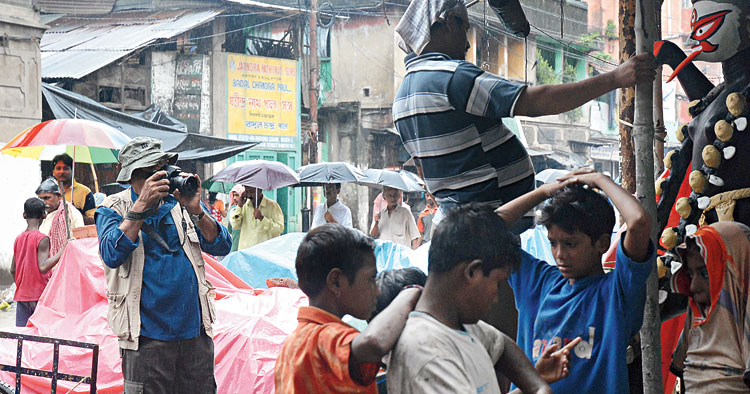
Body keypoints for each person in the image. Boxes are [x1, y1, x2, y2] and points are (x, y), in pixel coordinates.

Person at [392, 0, 656, 231]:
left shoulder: (402, 96)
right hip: (488, 228)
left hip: (459, 224)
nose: (468, 42)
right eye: (465, 28)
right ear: (450, 22)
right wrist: (614, 78)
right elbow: (535, 102)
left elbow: (423, 171)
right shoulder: (451, 76)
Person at [387, 203, 579, 393]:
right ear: (472, 272)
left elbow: (501, 344)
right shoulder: (429, 356)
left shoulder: (460, 325)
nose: (496, 297)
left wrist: (537, 382)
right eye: (497, 283)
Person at [495, 169, 655, 394]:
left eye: (570, 244)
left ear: (602, 243)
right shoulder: (538, 283)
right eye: (553, 243)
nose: (559, 254)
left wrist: (600, 180)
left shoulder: (617, 293)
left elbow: (638, 221)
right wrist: (543, 192)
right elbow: (487, 229)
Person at [95, 136, 231, 393]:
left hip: (195, 335)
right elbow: (111, 254)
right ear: (132, 176)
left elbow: (221, 245)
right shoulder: (113, 208)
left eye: (161, 170)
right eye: (149, 173)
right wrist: (140, 207)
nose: (158, 179)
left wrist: (197, 211)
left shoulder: (180, 203)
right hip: (146, 339)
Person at [274, 223, 422, 393]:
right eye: (370, 278)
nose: (377, 290)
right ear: (336, 281)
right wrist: (412, 292)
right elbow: (372, 343)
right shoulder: (325, 338)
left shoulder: (293, 345)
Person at [670, 222, 750, 392]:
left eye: (706, 274)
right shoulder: (696, 330)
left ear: (737, 273)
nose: (693, 287)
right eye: (690, 274)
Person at [11, 198, 67, 327]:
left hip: (22, 296)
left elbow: (13, 269)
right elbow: (43, 266)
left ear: (24, 215)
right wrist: (63, 250)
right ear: (44, 215)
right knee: (41, 335)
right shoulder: (42, 238)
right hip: (40, 295)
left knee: (22, 336)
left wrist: (22, 286)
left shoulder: (18, 239)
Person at [36, 177, 84, 256]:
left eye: (47, 198)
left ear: (58, 196)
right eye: (40, 199)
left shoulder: (70, 213)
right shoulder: (39, 214)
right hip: (45, 261)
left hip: (68, 259)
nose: (44, 202)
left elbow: (81, 240)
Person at [229, 185, 284, 250]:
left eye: (252, 192)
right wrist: (239, 206)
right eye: (247, 192)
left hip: (264, 251)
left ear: (260, 190)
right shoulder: (244, 206)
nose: (249, 195)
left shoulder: (273, 206)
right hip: (246, 251)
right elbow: (235, 225)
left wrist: (262, 218)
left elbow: (279, 229)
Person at [51, 153, 96, 225]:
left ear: (72, 170)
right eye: (58, 168)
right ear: (53, 172)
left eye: (65, 168)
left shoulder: (85, 192)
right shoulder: (49, 192)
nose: (62, 172)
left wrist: (74, 213)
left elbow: (94, 221)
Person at [226, 184, 244, 253]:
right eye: (233, 195)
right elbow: (230, 228)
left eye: (237, 195)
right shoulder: (233, 209)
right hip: (235, 245)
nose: (234, 198)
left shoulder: (247, 209)